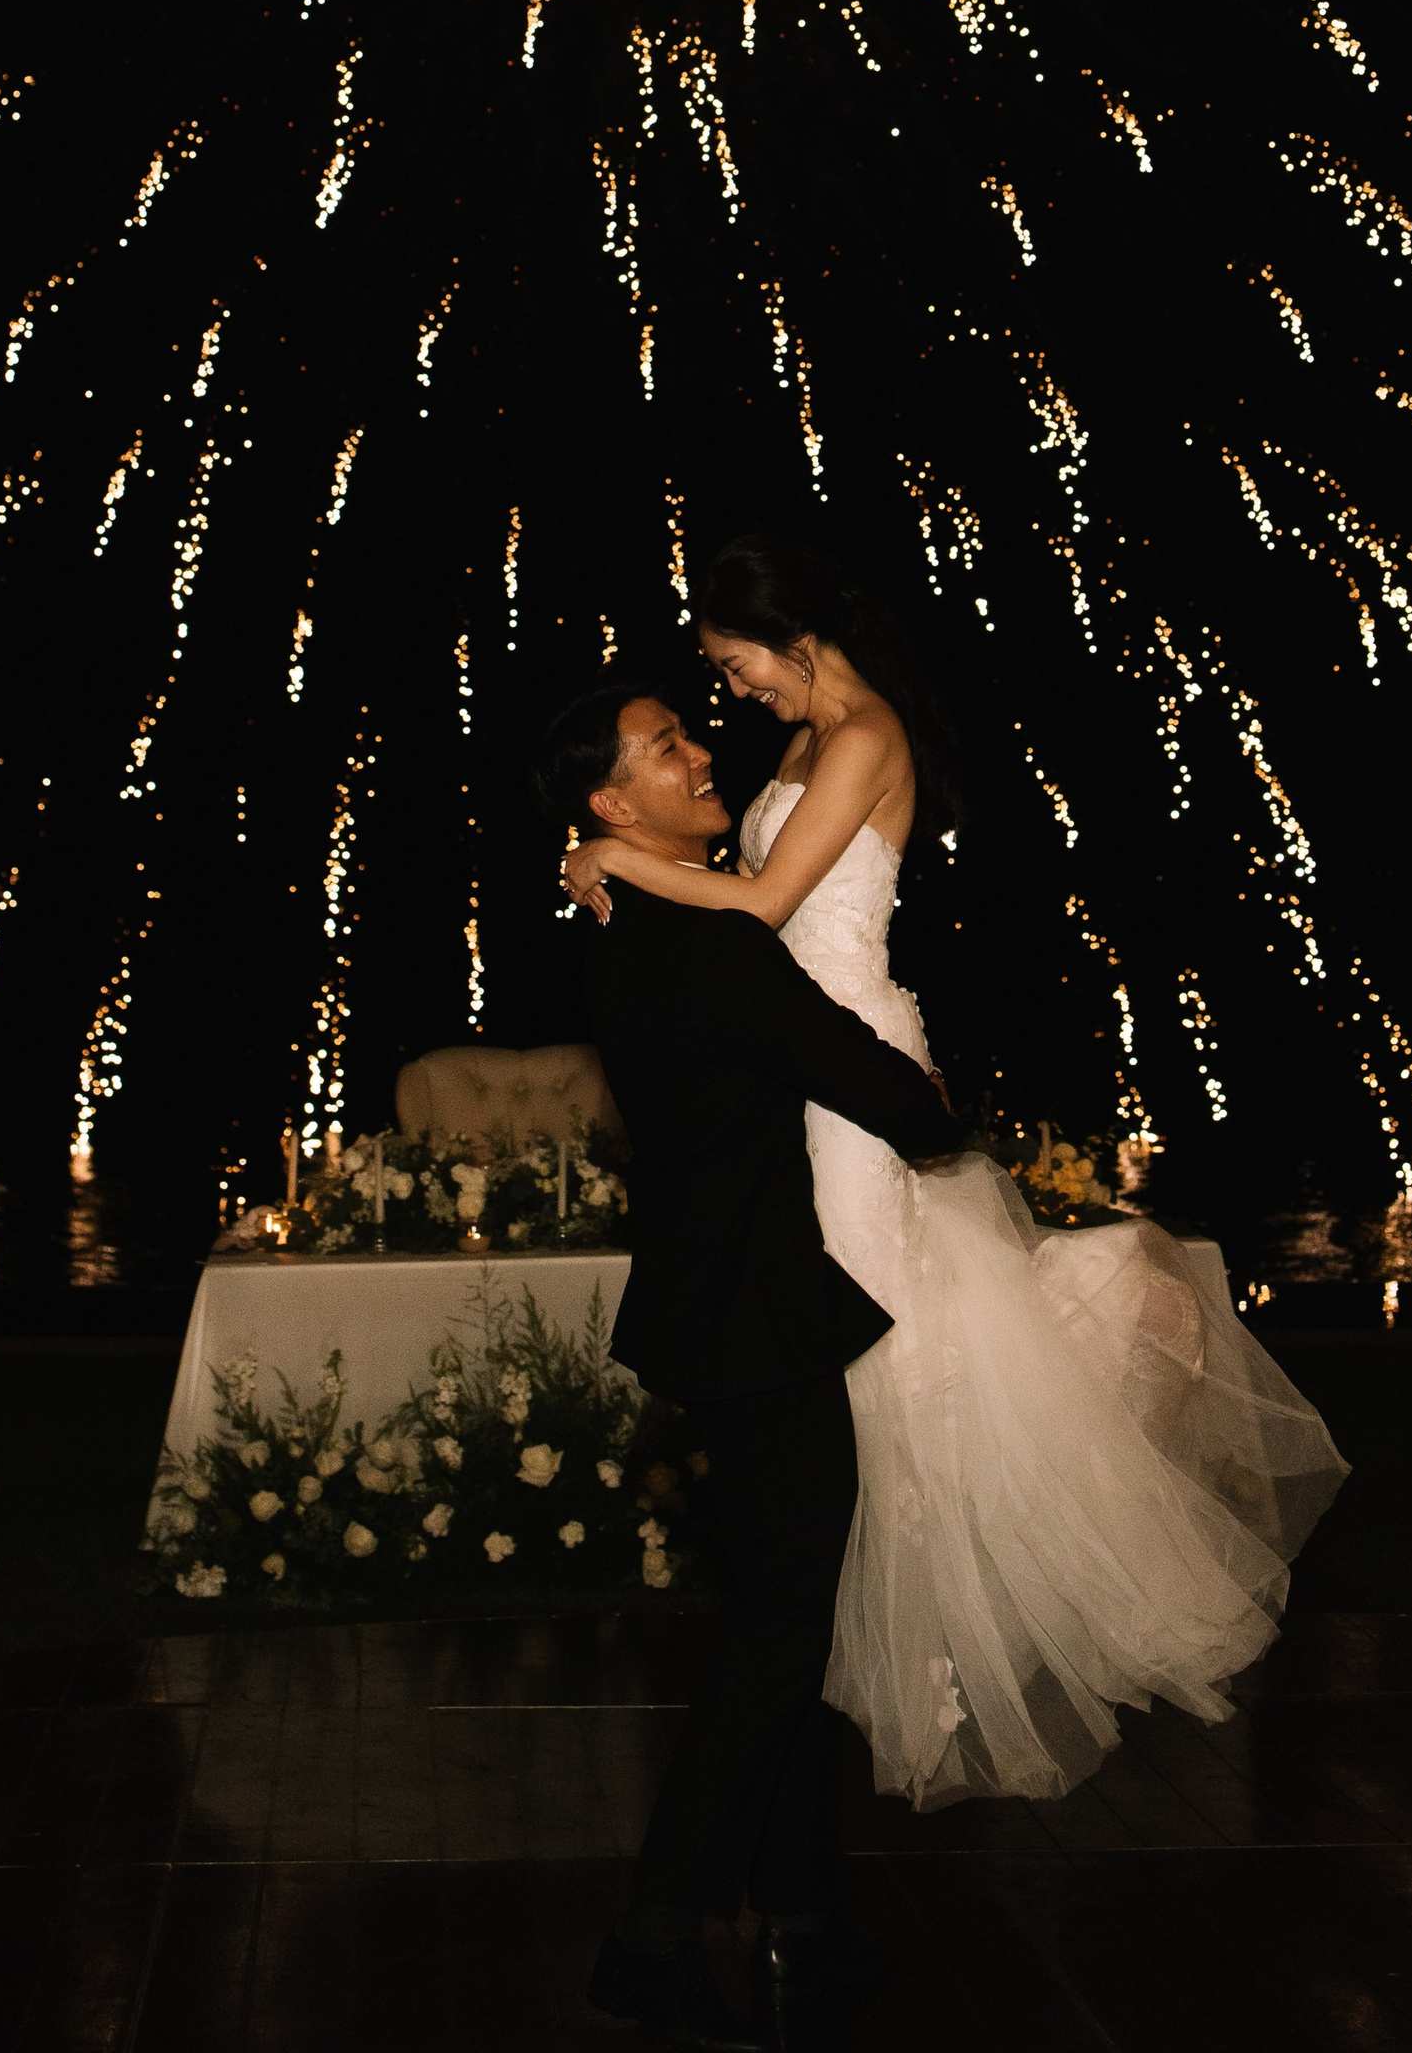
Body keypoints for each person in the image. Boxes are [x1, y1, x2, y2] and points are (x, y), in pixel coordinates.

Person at [562, 527, 1348, 1815]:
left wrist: (620, 860)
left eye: (734, 665)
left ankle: (880, 1627)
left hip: (849, 1051)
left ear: (786, 633)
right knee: (847, 1344)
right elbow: (756, 904)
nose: (732, 694)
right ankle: (826, 1640)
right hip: (796, 1056)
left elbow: (762, 909)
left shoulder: (862, 733)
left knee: (887, 1338)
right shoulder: (807, 740)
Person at [536, 677, 956, 2052]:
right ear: (613, 803)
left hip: (727, 1313)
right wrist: (934, 1103)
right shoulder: (696, 944)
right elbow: (876, 1092)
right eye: (667, 750)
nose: (701, 751)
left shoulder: (631, 916)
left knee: (787, 1619)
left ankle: (803, 1918)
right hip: (757, 1321)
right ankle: (654, 1936)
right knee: (780, 1636)